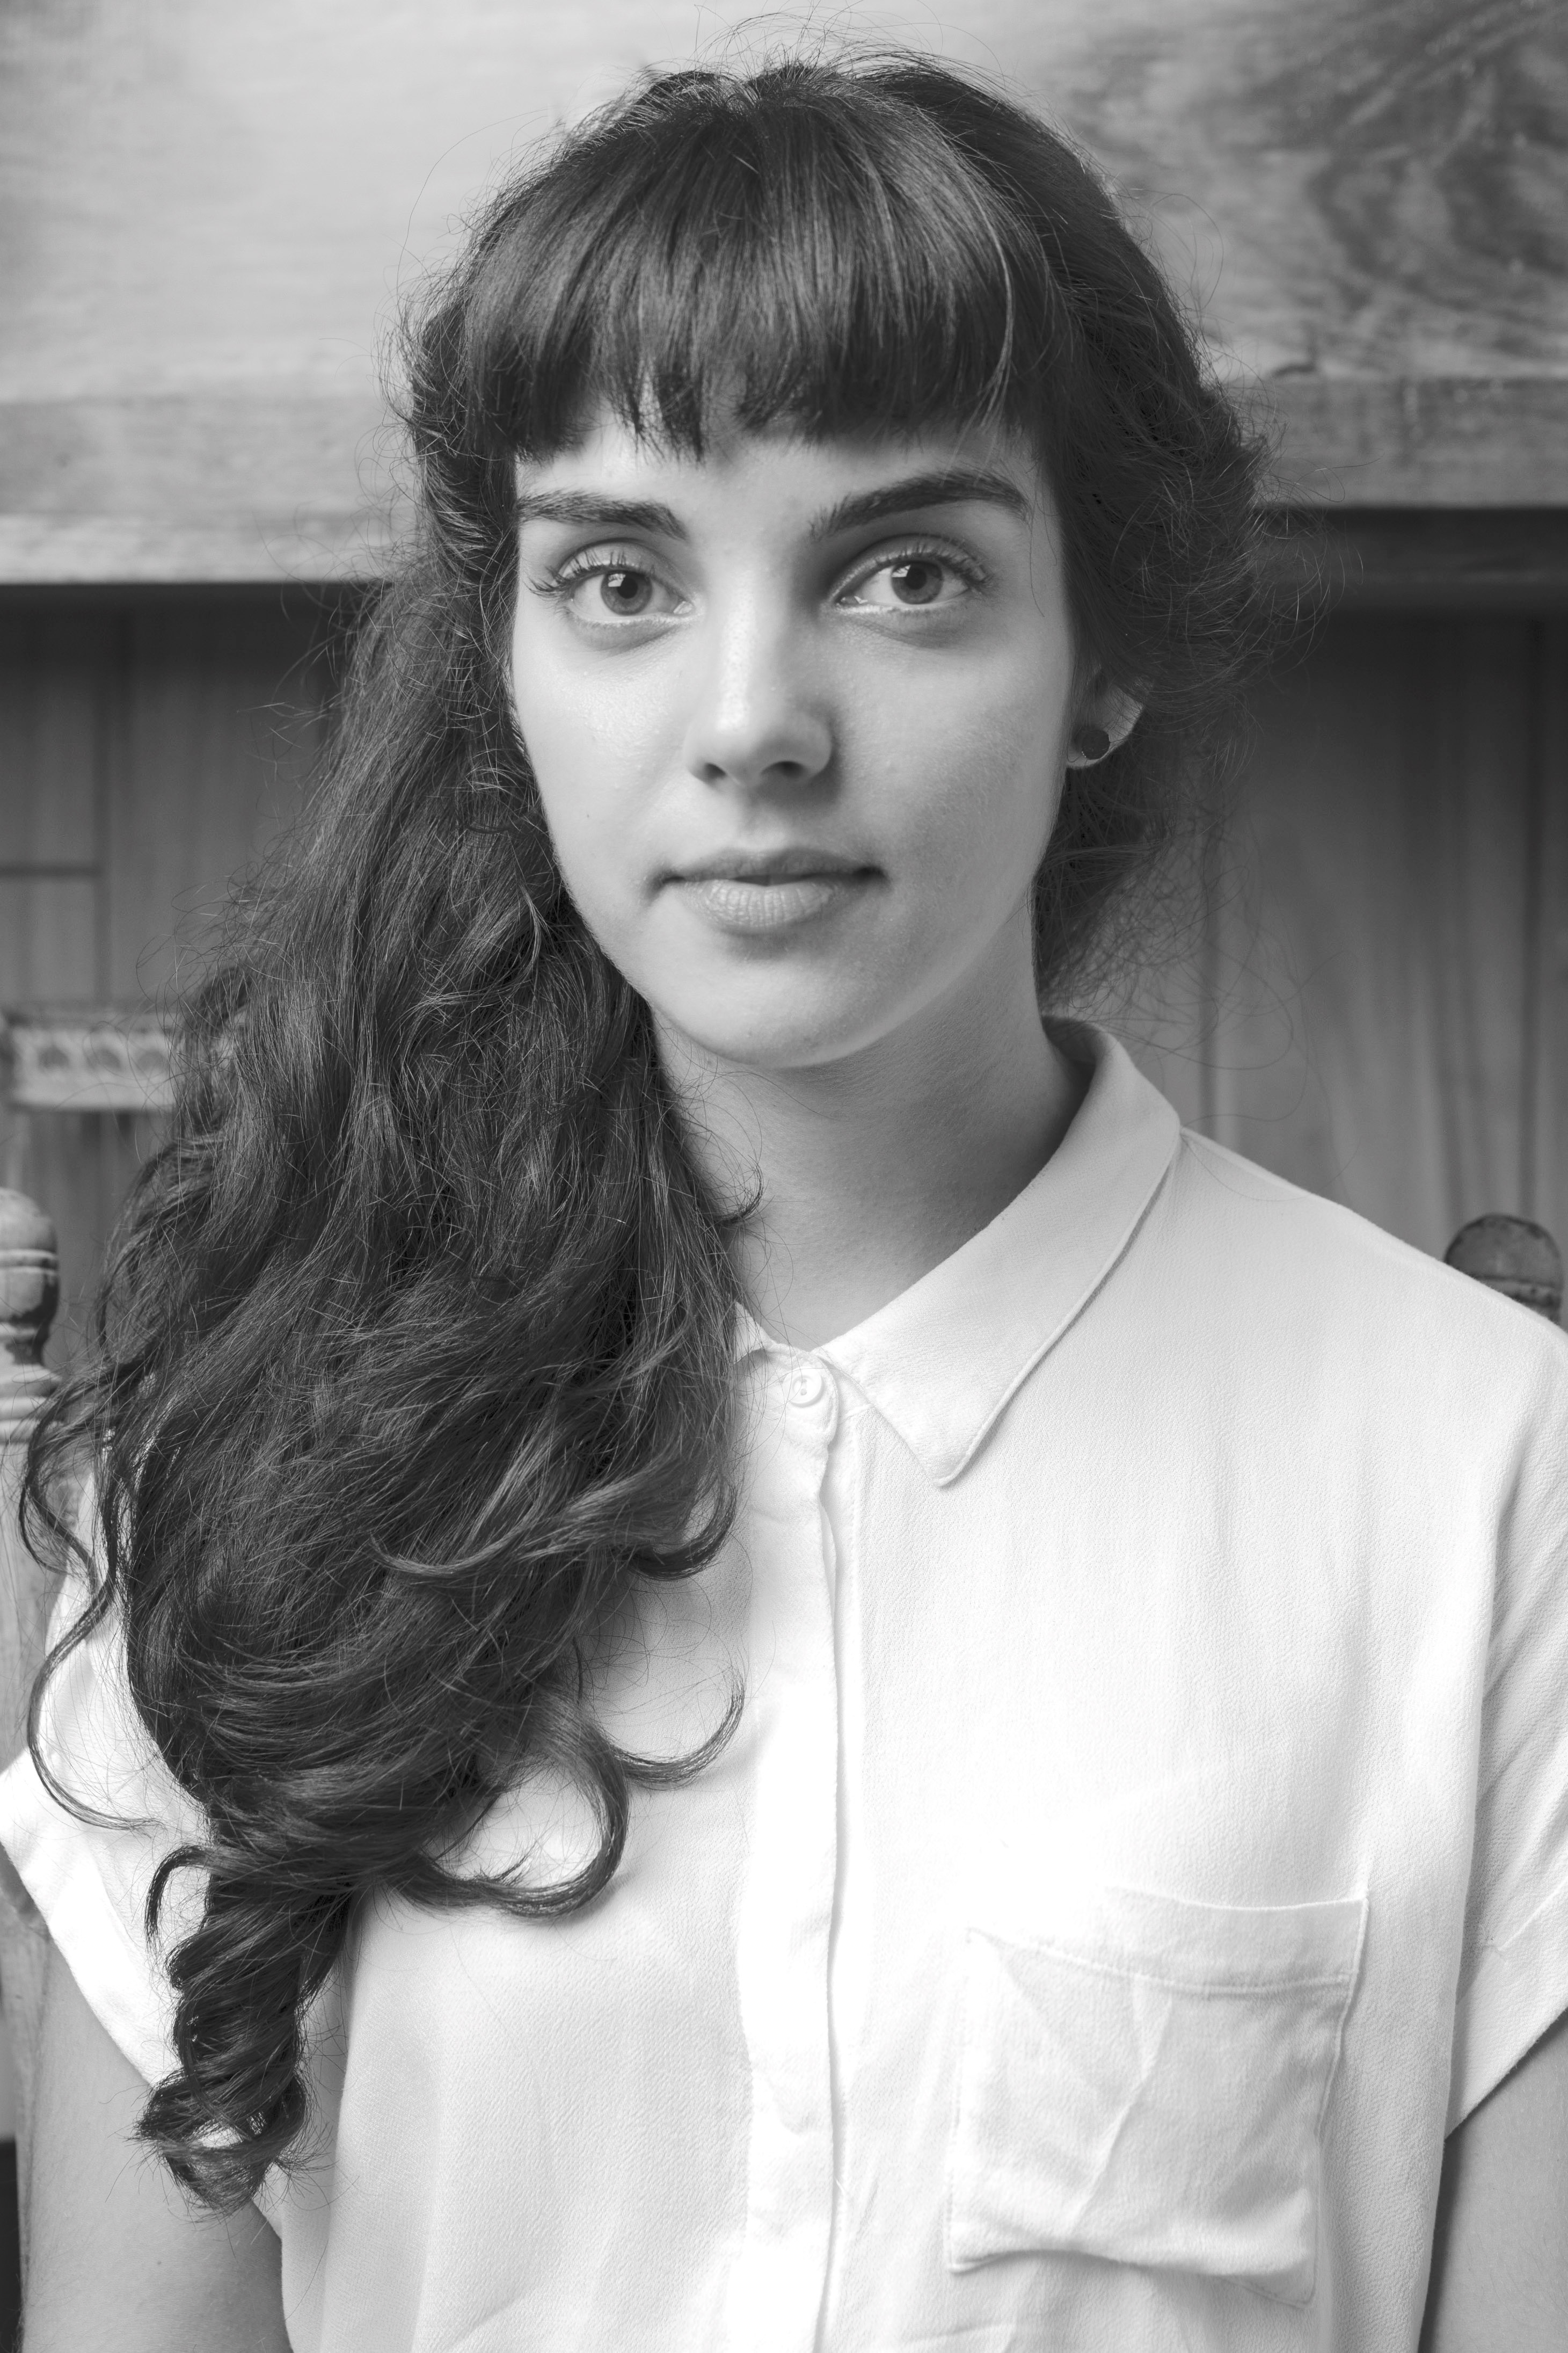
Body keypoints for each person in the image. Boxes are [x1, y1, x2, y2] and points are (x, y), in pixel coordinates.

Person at [4, 47, 1566, 2353]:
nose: (752, 719)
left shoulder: (1488, 1472)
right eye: (621, 576)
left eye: (904, 569)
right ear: (509, 663)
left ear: (1101, 653)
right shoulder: (229, 1463)